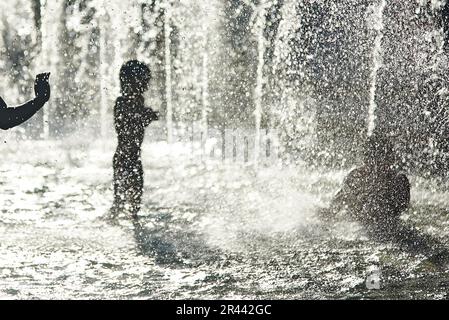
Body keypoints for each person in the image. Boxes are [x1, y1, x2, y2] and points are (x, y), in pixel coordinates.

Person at [320, 134, 449, 266]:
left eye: (383, 160)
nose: (378, 166)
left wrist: (382, 201)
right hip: (360, 228)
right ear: (365, 160)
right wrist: (331, 214)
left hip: (388, 228)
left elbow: (401, 208)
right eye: (372, 161)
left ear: (391, 160)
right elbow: (339, 200)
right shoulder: (355, 178)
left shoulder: (399, 181)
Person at [109, 60, 159, 219]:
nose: (147, 85)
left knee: (135, 199)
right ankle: (115, 218)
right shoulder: (122, 102)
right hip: (123, 157)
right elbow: (125, 126)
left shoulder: (139, 100)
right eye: (144, 81)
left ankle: (132, 219)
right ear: (132, 82)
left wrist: (146, 116)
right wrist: (145, 116)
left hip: (134, 157)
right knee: (120, 199)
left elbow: (137, 123)